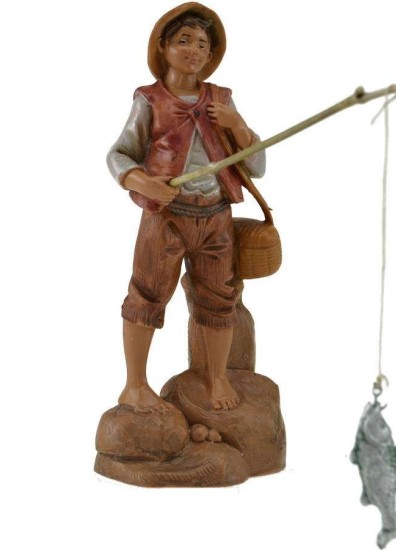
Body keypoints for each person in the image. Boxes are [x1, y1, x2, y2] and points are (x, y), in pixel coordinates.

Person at [107, 2, 265, 412]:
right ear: (163, 46)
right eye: (184, 40)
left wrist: (238, 127)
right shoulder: (149, 100)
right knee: (146, 295)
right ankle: (135, 385)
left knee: (218, 297)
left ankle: (217, 377)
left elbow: (258, 166)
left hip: (215, 217)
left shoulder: (222, 100)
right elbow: (119, 155)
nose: (194, 50)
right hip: (165, 217)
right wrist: (142, 181)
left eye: (202, 44)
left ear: (211, 54)